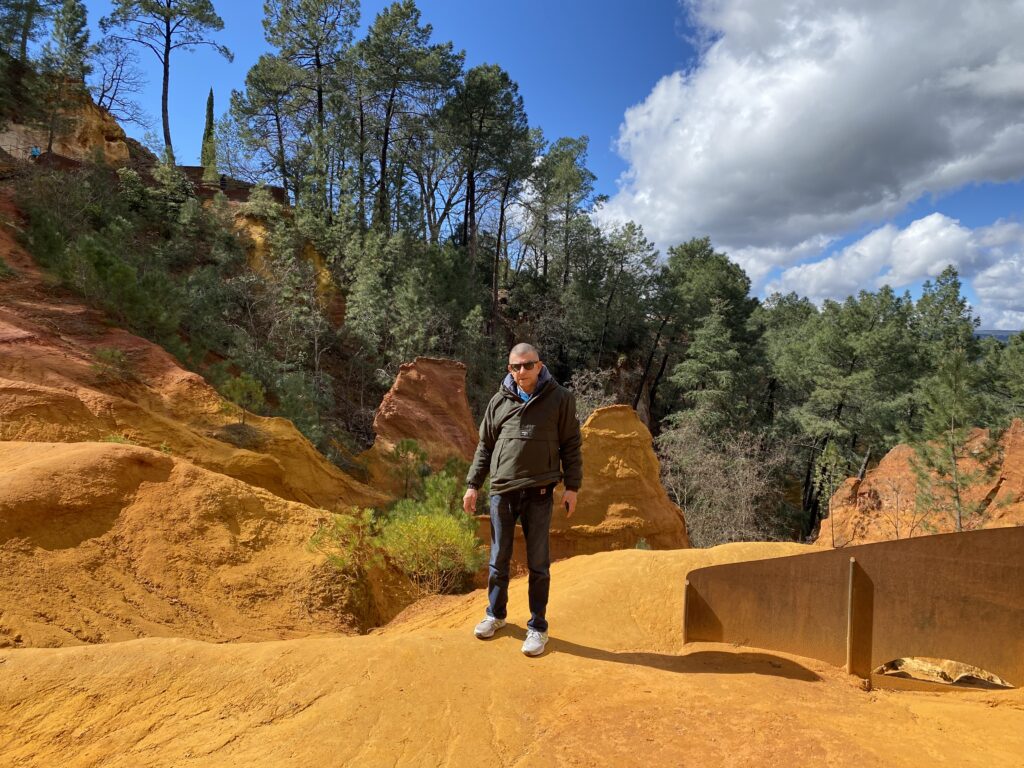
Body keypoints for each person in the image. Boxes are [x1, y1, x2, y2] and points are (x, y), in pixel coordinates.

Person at [463, 342, 583, 656]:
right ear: (509, 369)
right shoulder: (498, 402)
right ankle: (495, 615)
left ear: (540, 365)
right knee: (498, 557)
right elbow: (485, 447)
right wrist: (473, 485)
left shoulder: (560, 399)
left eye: (528, 365)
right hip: (502, 490)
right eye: (516, 366)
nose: (522, 371)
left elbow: (571, 444)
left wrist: (572, 487)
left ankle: (537, 627)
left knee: (538, 563)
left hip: (539, 491)